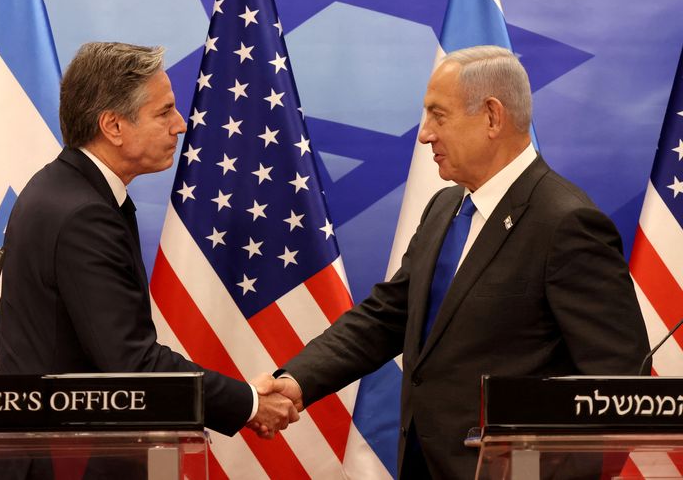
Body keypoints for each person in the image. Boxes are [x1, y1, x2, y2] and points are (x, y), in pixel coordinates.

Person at [272, 45, 650, 479]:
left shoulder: (566, 223)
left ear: (492, 116)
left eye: (439, 115)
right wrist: (297, 380)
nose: (424, 134)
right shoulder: (445, 207)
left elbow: (618, 386)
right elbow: (387, 317)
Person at [0, 42, 296, 462]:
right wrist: (247, 402)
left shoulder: (64, 189)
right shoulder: (83, 213)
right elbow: (132, 363)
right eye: (164, 112)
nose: (180, 124)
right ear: (113, 126)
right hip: (66, 462)